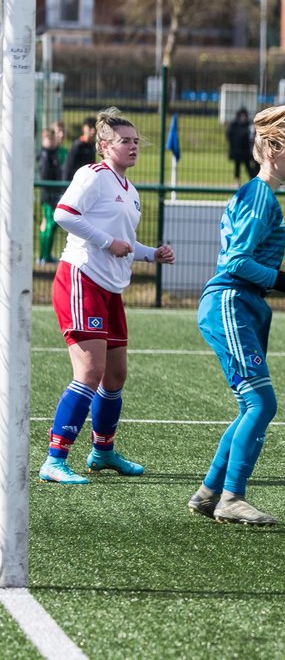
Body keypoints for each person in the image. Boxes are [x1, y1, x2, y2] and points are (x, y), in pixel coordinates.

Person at [186, 102, 285, 526]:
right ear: (271, 152)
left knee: (252, 405)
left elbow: (251, 264)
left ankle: (209, 492)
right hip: (231, 303)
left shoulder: (258, 194)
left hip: (244, 305)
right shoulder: (260, 195)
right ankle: (231, 498)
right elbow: (235, 262)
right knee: (260, 403)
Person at [40, 108, 176, 485]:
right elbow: (64, 214)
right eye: (124, 142)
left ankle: (102, 452)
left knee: (115, 376)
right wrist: (105, 241)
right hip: (82, 280)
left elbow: (124, 242)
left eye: (136, 142)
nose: (133, 147)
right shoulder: (93, 175)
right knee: (90, 372)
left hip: (111, 289)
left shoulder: (128, 190)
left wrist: (152, 253)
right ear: (104, 146)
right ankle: (54, 459)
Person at [37, 127, 64, 265]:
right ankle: (43, 256)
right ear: (44, 139)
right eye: (49, 139)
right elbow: (45, 176)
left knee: (51, 225)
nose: (51, 142)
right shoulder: (44, 155)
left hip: (55, 194)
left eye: (53, 139)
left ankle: (46, 255)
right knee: (49, 223)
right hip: (48, 196)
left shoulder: (54, 153)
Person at [63, 116, 97, 181]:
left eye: (94, 128)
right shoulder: (77, 145)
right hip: (77, 181)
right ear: (83, 128)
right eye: (90, 127)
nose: (93, 131)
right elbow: (68, 167)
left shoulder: (93, 145)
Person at [226, 108, 254, 185]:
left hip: (245, 151)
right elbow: (229, 136)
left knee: (248, 167)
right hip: (237, 151)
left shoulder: (248, 125)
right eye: (241, 116)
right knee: (237, 167)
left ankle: (253, 180)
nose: (243, 117)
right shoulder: (234, 125)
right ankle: (237, 181)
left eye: (244, 116)